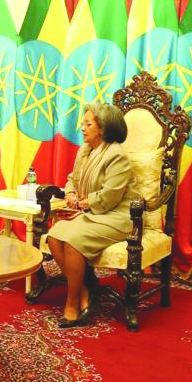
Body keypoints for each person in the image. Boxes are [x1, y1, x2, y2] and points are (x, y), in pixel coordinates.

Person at [46, 102, 137, 328]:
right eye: (83, 123)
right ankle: (85, 289)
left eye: (88, 124)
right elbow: (71, 178)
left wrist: (81, 203)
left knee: (73, 241)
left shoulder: (117, 156)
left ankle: (72, 303)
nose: (82, 128)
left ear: (104, 128)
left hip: (116, 216)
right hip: (90, 212)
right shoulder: (85, 150)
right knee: (54, 236)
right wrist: (70, 194)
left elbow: (109, 198)